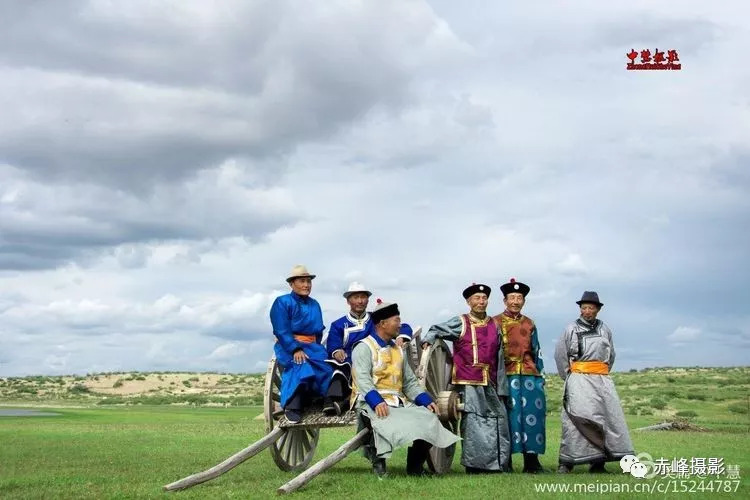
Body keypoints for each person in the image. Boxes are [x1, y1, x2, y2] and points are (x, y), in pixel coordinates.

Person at [351, 299, 460, 478]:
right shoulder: (364, 348)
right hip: (370, 401)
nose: (399, 325)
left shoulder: (398, 350)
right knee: (383, 419)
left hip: (397, 401)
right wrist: (376, 401)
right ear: (382, 323)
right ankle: (379, 462)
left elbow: (409, 382)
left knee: (429, 417)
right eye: (396, 320)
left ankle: (415, 467)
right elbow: (362, 379)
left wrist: (426, 401)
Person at [422, 283, 511, 474]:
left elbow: (500, 357)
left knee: (498, 419)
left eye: (484, 298)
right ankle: (474, 466)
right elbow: (437, 328)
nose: (481, 301)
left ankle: (497, 464)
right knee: (474, 424)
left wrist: (502, 386)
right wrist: (429, 339)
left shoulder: (494, 325)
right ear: (469, 302)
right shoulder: (461, 322)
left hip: (492, 381)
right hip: (468, 380)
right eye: (476, 298)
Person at [554, 291, 634, 473]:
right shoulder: (570, 329)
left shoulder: (605, 329)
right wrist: (570, 377)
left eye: (591, 308)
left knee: (607, 419)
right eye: (584, 308)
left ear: (597, 309)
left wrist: (601, 372)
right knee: (577, 418)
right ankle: (567, 462)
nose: (587, 311)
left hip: (602, 380)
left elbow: (611, 355)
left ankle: (598, 463)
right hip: (579, 380)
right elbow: (560, 355)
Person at [269, 265, 342, 423]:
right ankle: (293, 405)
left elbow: (318, 331)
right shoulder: (282, 302)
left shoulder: (315, 304)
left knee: (327, 365)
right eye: (302, 281)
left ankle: (326, 399)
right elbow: (281, 329)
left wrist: (317, 347)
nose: (306, 285)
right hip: (289, 345)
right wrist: (295, 348)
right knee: (302, 364)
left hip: (313, 345)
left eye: (309, 281)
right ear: (292, 284)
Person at [493, 278, 547, 473]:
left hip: (530, 376)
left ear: (523, 301)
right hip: (506, 376)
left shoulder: (530, 323)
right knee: (508, 419)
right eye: (512, 297)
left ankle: (532, 463)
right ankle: (505, 463)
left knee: (533, 418)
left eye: (520, 298)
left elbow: (536, 350)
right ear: (505, 300)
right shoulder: (495, 322)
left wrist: (540, 375)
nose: (516, 301)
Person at [323, 282, 374, 415]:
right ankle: (331, 400)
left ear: (368, 300)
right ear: (348, 301)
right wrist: (336, 351)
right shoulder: (338, 324)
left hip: (372, 357)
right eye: (355, 297)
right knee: (340, 369)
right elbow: (333, 343)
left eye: (363, 297)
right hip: (348, 358)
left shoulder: (377, 318)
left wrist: (401, 336)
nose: (360, 301)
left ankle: (344, 402)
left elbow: (397, 324)